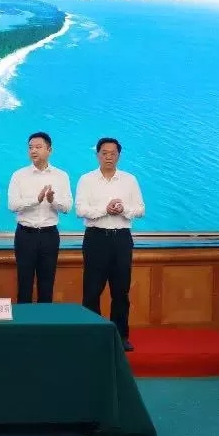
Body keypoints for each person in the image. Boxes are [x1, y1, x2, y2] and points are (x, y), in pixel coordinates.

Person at [76, 137, 145, 352]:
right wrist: (104, 210)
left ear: (119, 156)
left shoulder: (129, 180)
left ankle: (120, 335)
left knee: (121, 291)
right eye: (104, 153)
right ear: (97, 155)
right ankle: (92, 335)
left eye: (113, 153)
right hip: (95, 238)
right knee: (92, 290)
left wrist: (124, 210)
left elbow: (140, 209)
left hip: (121, 239)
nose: (108, 157)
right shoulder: (86, 180)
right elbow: (80, 210)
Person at [7, 132, 72, 304]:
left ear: (49, 150)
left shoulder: (61, 176)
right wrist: (35, 200)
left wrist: (52, 201)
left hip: (49, 235)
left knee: (47, 284)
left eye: (38, 147)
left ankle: (46, 319)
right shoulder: (19, 175)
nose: (33, 151)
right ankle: (24, 320)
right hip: (25, 235)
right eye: (30, 147)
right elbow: (12, 205)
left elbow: (67, 207)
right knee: (24, 283)